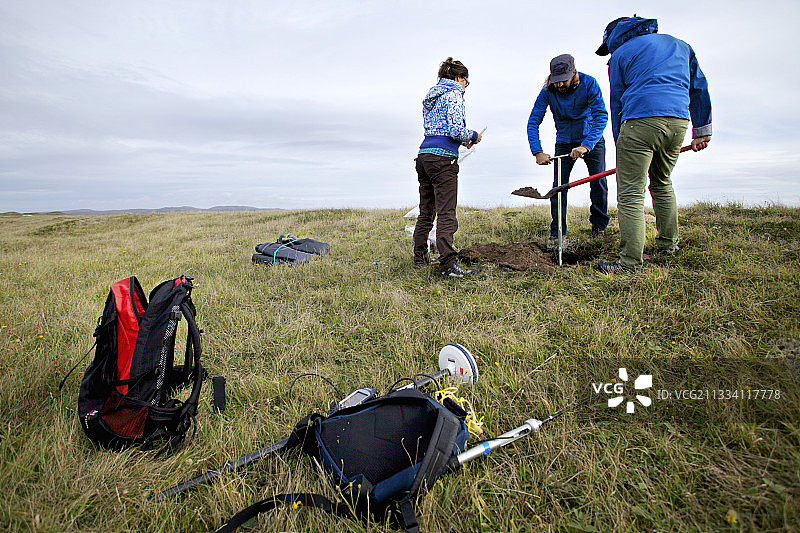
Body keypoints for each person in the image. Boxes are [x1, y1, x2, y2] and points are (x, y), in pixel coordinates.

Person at [594, 16, 712, 274]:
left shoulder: (620, 54)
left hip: (640, 122)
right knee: (662, 181)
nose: (610, 52)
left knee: (631, 193)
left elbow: (617, 101)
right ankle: (668, 245)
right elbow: (698, 87)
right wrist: (702, 129)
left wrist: (619, 140)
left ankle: (629, 263)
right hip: (678, 122)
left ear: (615, 37)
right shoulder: (680, 45)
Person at [527, 54, 609, 245]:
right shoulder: (548, 91)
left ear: (574, 72)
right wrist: (537, 151)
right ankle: (557, 233)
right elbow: (533, 122)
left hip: (591, 140)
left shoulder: (589, 84)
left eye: (563, 80)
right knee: (559, 187)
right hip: (564, 141)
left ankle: (599, 228)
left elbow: (601, 117)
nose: (560, 85)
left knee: (599, 183)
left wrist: (586, 145)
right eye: (556, 81)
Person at [414, 57, 482, 278]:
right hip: (443, 160)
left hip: (424, 156)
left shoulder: (431, 96)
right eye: (466, 82)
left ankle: (420, 258)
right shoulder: (454, 94)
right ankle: (448, 266)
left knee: (426, 211)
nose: (465, 88)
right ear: (459, 78)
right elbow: (454, 129)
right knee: (446, 212)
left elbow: (440, 129)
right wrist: (472, 135)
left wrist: (463, 139)